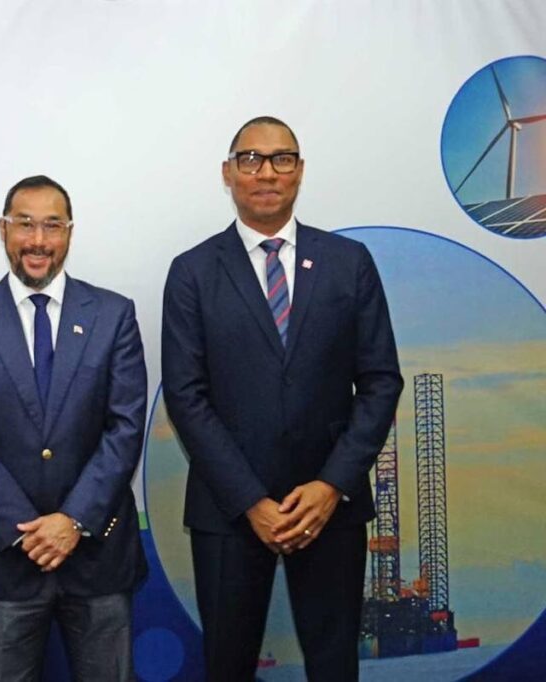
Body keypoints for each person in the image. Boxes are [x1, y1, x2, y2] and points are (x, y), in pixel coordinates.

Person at [161, 117, 403, 681]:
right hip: (231, 510)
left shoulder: (350, 262)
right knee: (227, 665)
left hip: (330, 508)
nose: (266, 172)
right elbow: (186, 395)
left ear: (299, 171)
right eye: (250, 159)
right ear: (228, 173)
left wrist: (330, 486)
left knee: (334, 664)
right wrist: (251, 501)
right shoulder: (193, 272)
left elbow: (380, 382)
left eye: (281, 159)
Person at [0, 175, 147, 681]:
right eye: (24, 224)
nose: (38, 241)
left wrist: (72, 520)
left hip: (96, 552)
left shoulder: (113, 315)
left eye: (52, 225)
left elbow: (126, 426)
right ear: (3, 230)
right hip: (3, 554)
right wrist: (27, 531)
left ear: (70, 233)